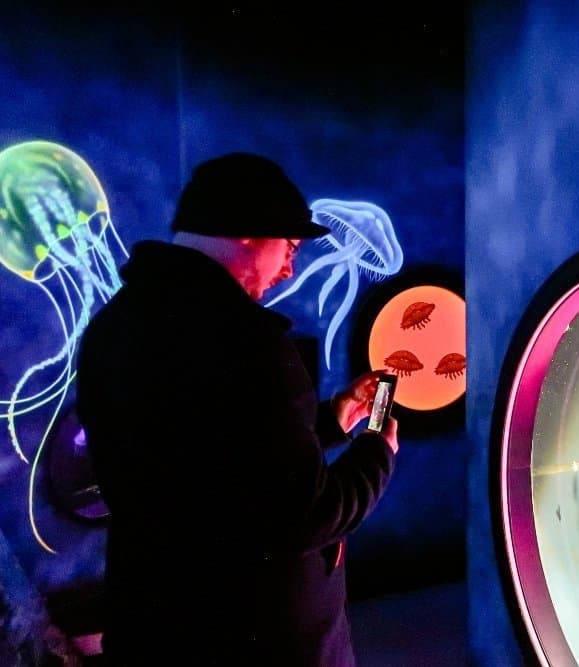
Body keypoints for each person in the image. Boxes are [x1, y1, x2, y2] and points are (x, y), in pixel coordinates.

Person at [76, 153, 398, 666]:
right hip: (254, 634)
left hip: (155, 616)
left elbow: (215, 455)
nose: (290, 267)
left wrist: (334, 419)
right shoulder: (250, 344)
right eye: (289, 247)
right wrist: (376, 449)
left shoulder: (111, 328)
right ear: (251, 231)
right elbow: (306, 515)